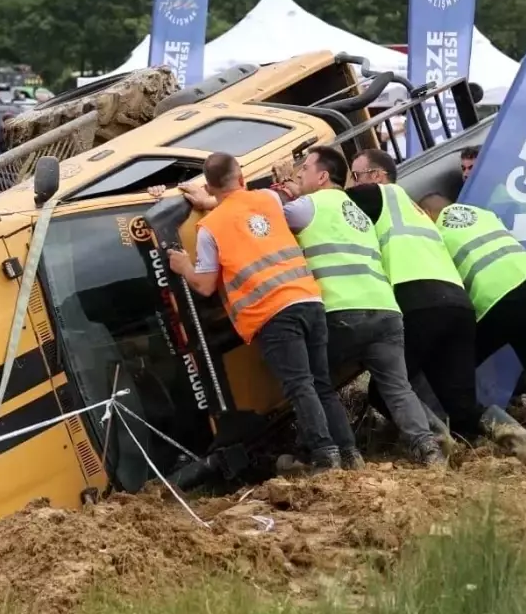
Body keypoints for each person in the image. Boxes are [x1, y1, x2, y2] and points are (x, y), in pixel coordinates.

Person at [173, 147, 445, 467]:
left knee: (309, 385)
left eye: (305, 170)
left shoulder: (300, 208)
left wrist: (187, 255)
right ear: (243, 177)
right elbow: (262, 205)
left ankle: (326, 454)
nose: (300, 177)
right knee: (390, 386)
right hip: (362, 306)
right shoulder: (341, 205)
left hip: (314, 312)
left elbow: (218, 266)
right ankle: (427, 447)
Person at [166, 152, 362, 472]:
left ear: (210, 186)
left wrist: (183, 265)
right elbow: (245, 208)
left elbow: (203, 285)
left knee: (300, 385)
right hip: (308, 300)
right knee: (320, 383)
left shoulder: (209, 228)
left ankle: (326, 456)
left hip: (271, 314)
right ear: (241, 177)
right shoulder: (269, 199)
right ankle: (349, 453)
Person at [347, 150, 526, 461]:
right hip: (457, 305)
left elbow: (333, 205)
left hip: (418, 302)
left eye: (355, 176)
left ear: (377, 177)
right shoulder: (417, 213)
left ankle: (438, 443)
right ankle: (515, 436)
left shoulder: (381, 196)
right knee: (460, 401)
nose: (352, 182)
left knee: (384, 388)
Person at [419, 194, 526, 454]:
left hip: (497, 301)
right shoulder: (483, 214)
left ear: (428, 214)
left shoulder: (435, 233)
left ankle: (465, 434)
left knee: (454, 370)